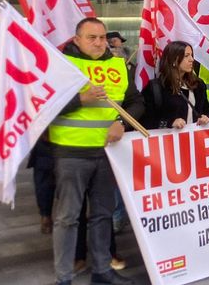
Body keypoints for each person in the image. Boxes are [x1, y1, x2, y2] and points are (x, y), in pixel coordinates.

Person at [50, 17, 143, 285]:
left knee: (102, 215)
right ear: (77, 40)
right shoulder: (64, 66)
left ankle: (102, 271)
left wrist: (121, 123)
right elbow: (44, 105)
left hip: (107, 153)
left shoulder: (118, 65)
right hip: (72, 152)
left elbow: (136, 102)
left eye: (102, 37)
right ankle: (63, 277)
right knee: (68, 218)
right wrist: (81, 99)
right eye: (92, 37)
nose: (99, 42)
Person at [141, 41, 209, 130]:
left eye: (191, 55)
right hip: (168, 141)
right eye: (186, 56)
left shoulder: (198, 85)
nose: (191, 59)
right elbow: (145, 121)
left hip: (195, 140)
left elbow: (208, 112)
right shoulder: (156, 87)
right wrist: (170, 123)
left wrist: (206, 118)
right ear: (174, 60)